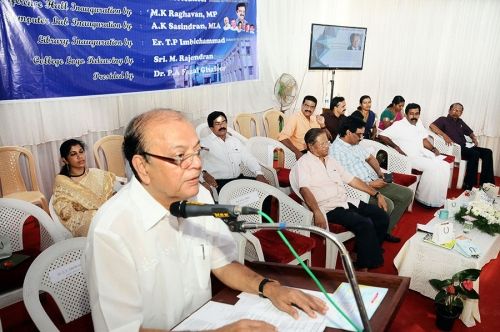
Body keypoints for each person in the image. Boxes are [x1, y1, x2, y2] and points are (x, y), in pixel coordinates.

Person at [85, 109, 327, 331]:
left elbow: (223, 263)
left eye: (197, 151)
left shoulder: (198, 196)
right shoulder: (112, 230)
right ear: (142, 166)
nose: (197, 164)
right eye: (180, 156)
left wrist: (269, 287)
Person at [292, 128, 389, 270]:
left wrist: (376, 194)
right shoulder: (304, 163)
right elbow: (304, 189)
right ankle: (364, 265)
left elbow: (352, 180)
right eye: (323, 144)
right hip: (327, 207)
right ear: (311, 146)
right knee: (365, 223)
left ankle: (361, 253)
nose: (327, 146)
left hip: (344, 201)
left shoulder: (331, 160)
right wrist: (316, 211)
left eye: (328, 142)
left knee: (381, 216)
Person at [329, 116, 414, 242]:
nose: (361, 138)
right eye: (359, 134)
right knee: (388, 205)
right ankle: (374, 238)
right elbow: (345, 180)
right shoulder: (336, 151)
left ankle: (383, 232)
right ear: (348, 132)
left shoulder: (355, 143)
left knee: (407, 194)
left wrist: (380, 173)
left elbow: (370, 158)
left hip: (374, 181)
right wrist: (370, 184)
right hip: (359, 188)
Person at [378, 103, 451, 207]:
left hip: (421, 153)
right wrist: (396, 147)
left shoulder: (419, 123)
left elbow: (423, 139)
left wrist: (433, 148)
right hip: (408, 157)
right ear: (406, 114)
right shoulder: (399, 125)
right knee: (433, 167)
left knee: (444, 165)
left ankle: (437, 199)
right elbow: (382, 135)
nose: (414, 116)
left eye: (416, 114)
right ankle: (423, 199)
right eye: (411, 114)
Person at [52, 139, 115, 237]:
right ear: (65, 160)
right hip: (88, 222)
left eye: (81, 152)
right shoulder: (63, 182)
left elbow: (112, 195)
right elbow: (65, 211)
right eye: (73, 154)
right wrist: (90, 211)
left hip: (110, 215)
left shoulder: (96, 174)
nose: (79, 156)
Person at [430, 103, 494, 190]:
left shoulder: (460, 122)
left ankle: (487, 183)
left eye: (459, 111)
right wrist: (444, 135)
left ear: (461, 113)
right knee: (474, 154)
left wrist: (474, 137)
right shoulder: (443, 119)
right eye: (455, 110)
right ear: (449, 110)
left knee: (488, 152)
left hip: (465, 146)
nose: (456, 112)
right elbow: (432, 126)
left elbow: (469, 132)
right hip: (454, 148)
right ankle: (468, 184)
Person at [200, 111, 268, 193]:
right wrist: (204, 173)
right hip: (220, 183)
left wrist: (258, 173)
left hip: (238, 179)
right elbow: (194, 161)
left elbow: (248, 158)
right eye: (217, 124)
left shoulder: (235, 141)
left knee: (265, 189)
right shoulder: (204, 143)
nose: (222, 126)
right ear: (211, 128)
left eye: (223, 122)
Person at [278, 95, 330, 160]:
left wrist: (323, 125)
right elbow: (283, 137)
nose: (308, 109)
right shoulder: (295, 118)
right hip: (301, 152)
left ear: (314, 108)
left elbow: (328, 138)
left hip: (315, 152)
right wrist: (297, 153)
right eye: (306, 105)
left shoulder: (315, 119)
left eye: (312, 107)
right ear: (302, 105)